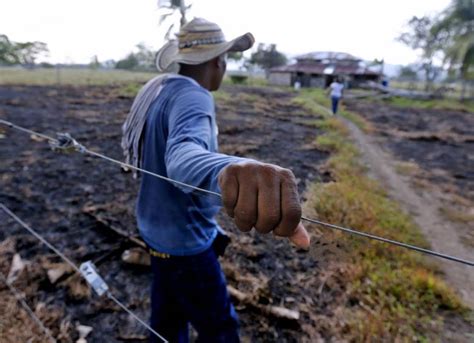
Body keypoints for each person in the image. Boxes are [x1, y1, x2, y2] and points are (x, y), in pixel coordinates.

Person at [121, 18, 310, 343]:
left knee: (166, 325)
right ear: (218, 61)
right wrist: (232, 168)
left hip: (154, 231)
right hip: (185, 242)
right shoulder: (194, 97)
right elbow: (180, 158)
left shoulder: (159, 90)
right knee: (220, 330)